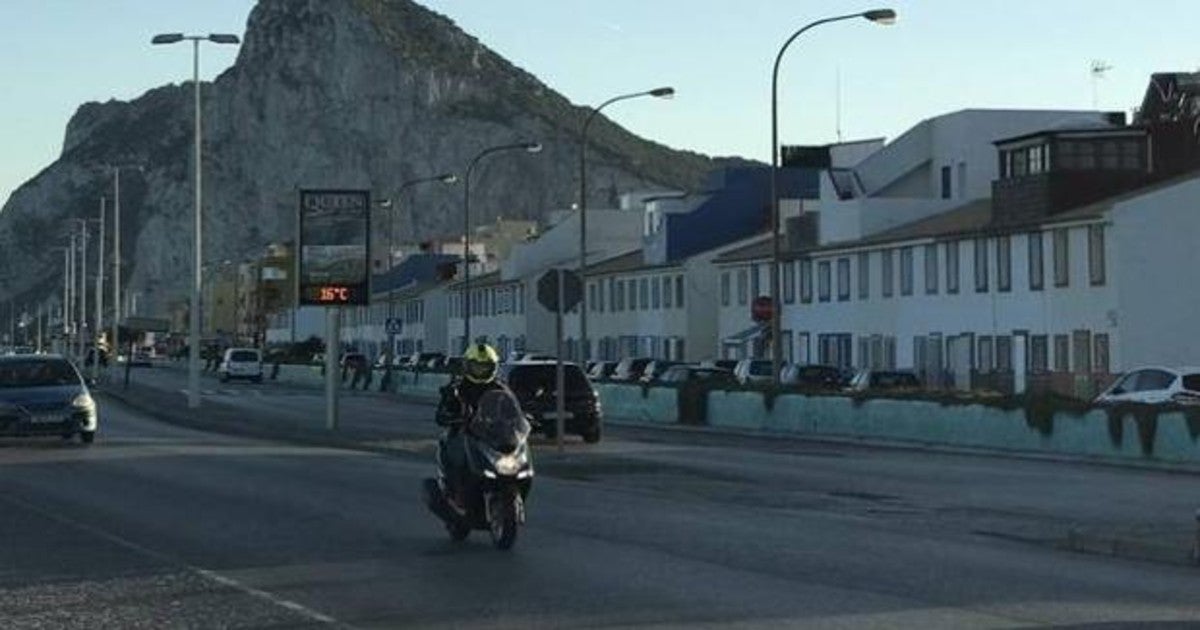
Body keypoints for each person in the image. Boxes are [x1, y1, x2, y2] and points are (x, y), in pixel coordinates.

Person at [435, 343, 507, 509]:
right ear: (468, 366)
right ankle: (455, 493)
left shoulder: (500, 388)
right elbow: (442, 413)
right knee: (457, 456)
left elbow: (512, 407)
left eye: (485, 367)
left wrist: (522, 417)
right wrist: (450, 416)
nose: (481, 371)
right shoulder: (456, 388)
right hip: (463, 432)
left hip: (490, 435)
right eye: (477, 367)